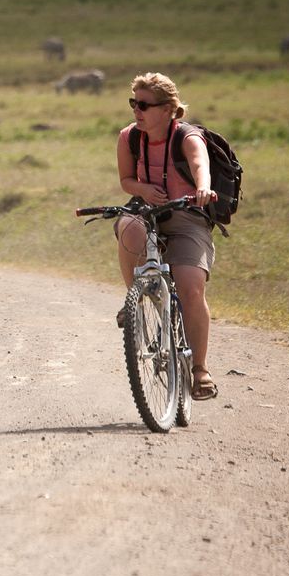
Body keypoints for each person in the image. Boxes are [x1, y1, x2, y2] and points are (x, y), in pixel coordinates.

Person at [114, 72, 219, 400]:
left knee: (190, 286)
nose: (137, 110)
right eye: (134, 103)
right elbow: (126, 180)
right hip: (148, 215)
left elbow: (201, 166)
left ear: (168, 109)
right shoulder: (129, 138)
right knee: (126, 225)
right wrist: (144, 189)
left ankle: (200, 371)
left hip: (187, 219)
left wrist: (202, 189)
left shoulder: (186, 137)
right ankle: (135, 297)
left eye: (144, 104)